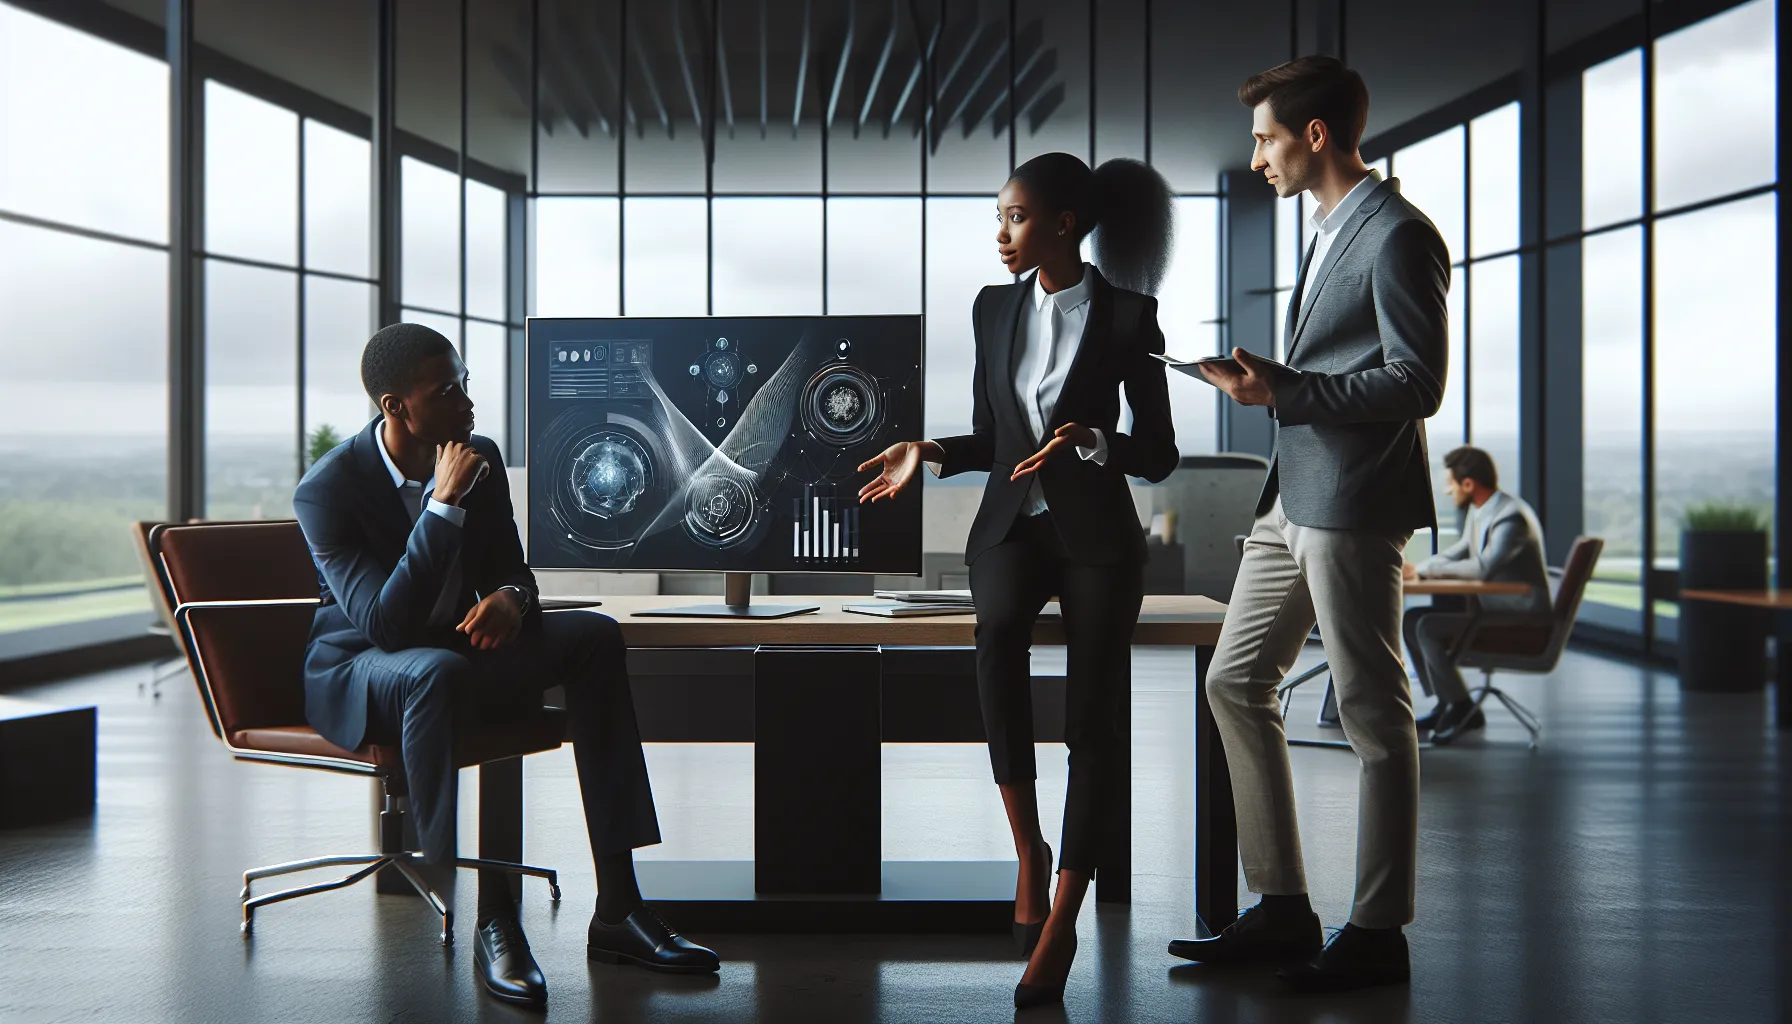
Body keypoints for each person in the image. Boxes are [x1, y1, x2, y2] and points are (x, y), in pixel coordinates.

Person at [294, 324, 718, 1012]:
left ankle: (619, 908)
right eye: (447, 390)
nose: (467, 401)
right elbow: (385, 625)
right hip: (367, 669)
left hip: (458, 652)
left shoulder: (477, 455)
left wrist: (510, 600)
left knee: (594, 638)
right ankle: (487, 921)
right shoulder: (327, 490)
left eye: (464, 381)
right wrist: (442, 505)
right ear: (395, 406)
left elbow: (515, 571)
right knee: (435, 671)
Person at [857, 152, 1178, 1008]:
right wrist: (926, 451)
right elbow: (989, 439)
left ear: (1064, 224)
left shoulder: (1128, 317)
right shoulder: (992, 308)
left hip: (1097, 537)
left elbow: (1159, 452)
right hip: (1010, 525)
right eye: (999, 218)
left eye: (1016, 217)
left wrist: (1091, 441)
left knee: (1093, 715)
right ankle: (1028, 848)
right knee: (994, 637)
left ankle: (1065, 911)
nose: (1002, 233)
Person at [1167, 56, 1448, 993]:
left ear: (1314, 136)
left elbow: (1418, 383)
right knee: (1236, 680)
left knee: (1373, 708)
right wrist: (1277, 391)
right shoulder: (1332, 230)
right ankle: (1283, 906)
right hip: (1291, 497)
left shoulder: (1399, 234)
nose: (1258, 159)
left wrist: (1286, 389)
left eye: (1265, 139)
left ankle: (1379, 930)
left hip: (1356, 501)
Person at [1403, 446, 1551, 744]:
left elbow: (1483, 568)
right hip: (1492, 605)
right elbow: (1462, 551)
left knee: (1427, 627)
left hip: (1520, 613)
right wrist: (1425, 567)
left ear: (1468, 484)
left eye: (1452, 483)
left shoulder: (1511, 518)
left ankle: (1460, 707)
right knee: (1413, 620)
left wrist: (1430, 572)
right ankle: (1448, 701)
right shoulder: (1482, 510)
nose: (1448, 491)